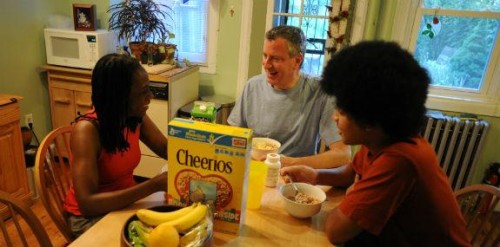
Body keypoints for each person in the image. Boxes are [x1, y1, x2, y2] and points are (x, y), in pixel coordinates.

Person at [281, 41, 470, 246]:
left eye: (342, 112)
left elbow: (336, 231)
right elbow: (349, 173)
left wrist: (353, 199)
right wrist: (315, 175)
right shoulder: (381, 138)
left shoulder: (400, 159)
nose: (334, 117)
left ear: (369, 119)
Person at [63, 54, 168, 237]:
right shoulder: (87, 131)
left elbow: (166, 149)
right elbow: (88, 204)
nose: (149, 97)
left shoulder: (134, 118)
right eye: (143, 91)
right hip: (88, 219)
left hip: (124, 204)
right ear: (120, 97)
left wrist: (202, 156)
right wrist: (153, 185)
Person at [227, 25, 351, 168]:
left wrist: (290, 163)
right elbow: (232, 137)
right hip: (255, 172)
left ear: (297, 61)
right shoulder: (252, 87)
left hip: (296, 176)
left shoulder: (321, 92)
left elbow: (343, 155)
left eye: (275, 59)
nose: (266, 65)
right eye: (265, 56)